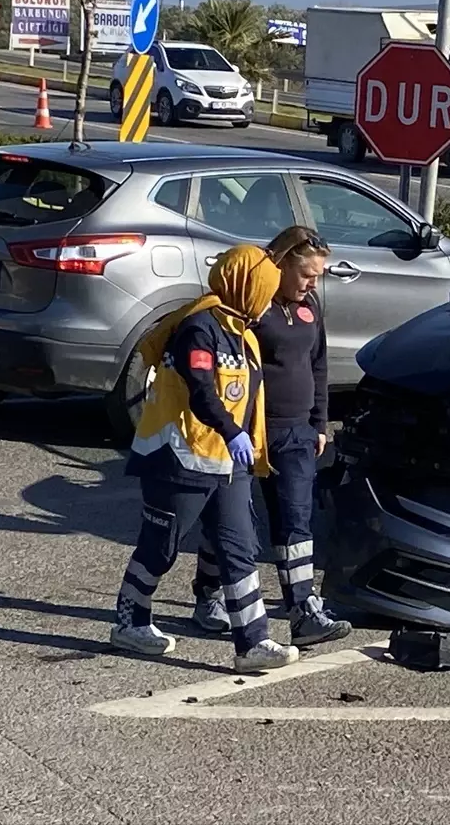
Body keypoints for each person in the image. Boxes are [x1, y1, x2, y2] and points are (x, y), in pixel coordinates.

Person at [110, 244, 299, 673]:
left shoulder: (244, 333)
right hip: (178, 457)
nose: (269, 301)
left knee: (239, 550)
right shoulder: (199, 327)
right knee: (160, 547)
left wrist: (247, 444)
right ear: (246, 286)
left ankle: (252, 643)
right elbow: (201, 388)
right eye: (266, 291)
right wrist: (232, 432)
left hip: (226, 465)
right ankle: (130, 622)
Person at [190, 227, 352, 647]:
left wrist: (319, 421)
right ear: (278, 266)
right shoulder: (249, 307)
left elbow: (318, 363)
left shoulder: (310, 304)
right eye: (306, 275)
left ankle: (303, 610)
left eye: (318, 276)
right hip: (249, 432)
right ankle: (208, 595)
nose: (313, 283)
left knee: (296, 522)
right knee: (233, 523)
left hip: (297, 431)